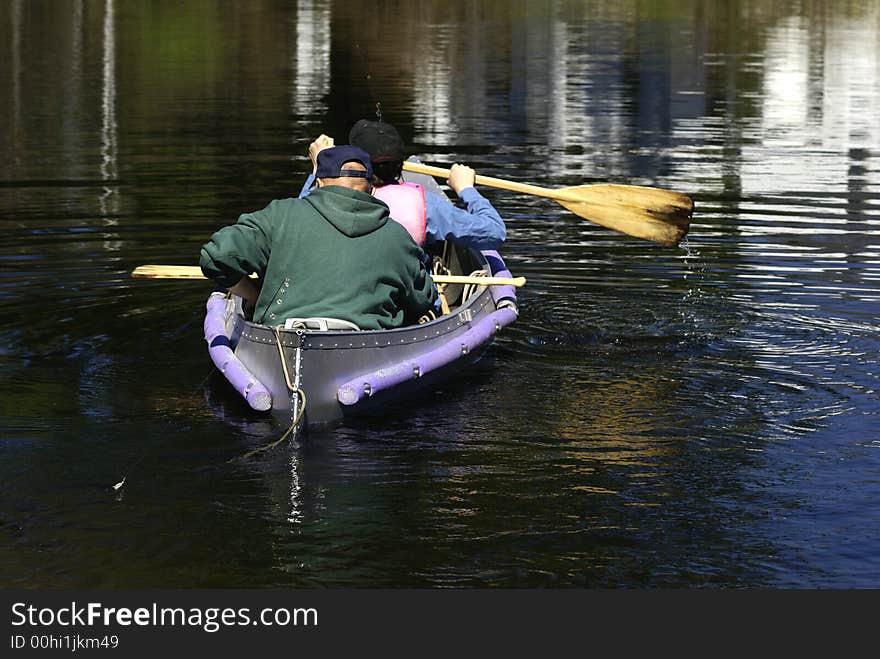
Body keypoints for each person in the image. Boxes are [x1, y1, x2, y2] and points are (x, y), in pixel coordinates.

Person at [200, 145, 437, 330]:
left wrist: (253, 295)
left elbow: (216, 257)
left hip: (282, 343)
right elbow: (424, 299)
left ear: (318, 182)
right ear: (372, 189)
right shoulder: (397, 237)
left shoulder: (279, 215)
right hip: (365, 348)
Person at [298, 120, 506, 250]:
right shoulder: (427, 206)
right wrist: (466, 190)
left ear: (354, 161)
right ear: (400, 166)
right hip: (402, 297)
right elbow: (495, 233)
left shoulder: (329, 199)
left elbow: (298, 227)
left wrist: (319, 168)